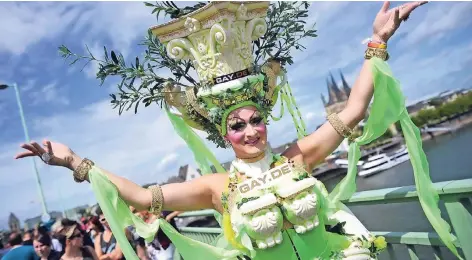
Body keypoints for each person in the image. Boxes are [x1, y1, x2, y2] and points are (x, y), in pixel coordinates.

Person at [14, 1, 461, 260]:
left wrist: (378, 41)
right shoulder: (217, 188)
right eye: (237, 126)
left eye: (255, 120)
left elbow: (357, 106)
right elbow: (138, 197)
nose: (250, 131)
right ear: (222, 134)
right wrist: (73, 161)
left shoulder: (298, 157)